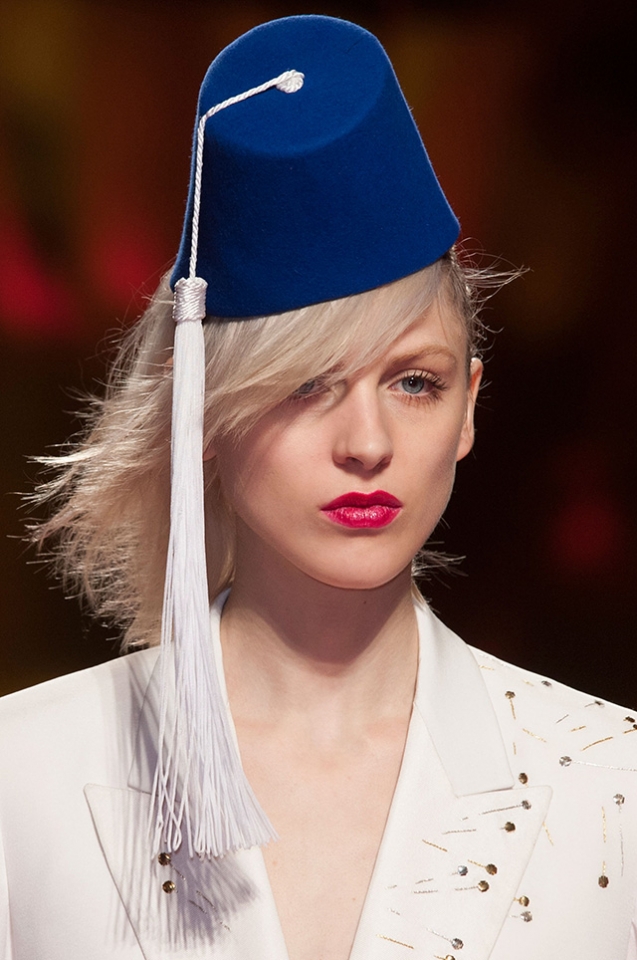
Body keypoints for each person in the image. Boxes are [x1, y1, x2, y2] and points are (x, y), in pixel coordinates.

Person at [0, 14, 636, 960]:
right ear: (200, 413)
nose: (367, 444)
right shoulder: (21, 775)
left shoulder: (611, 784)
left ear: (468, 406)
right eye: (304, 386)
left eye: (412, 382)